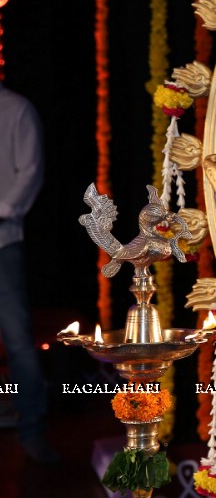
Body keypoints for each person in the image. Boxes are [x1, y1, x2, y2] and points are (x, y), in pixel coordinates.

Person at [0, 80, 57, 463]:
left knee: (18, 340)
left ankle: (32, 428)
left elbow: (30, 171)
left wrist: (3, 208)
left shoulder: (16, 109)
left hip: (2, 243)